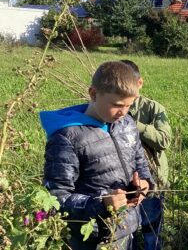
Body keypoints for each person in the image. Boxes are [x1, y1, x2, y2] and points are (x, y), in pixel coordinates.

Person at [40, 61, 155, 250]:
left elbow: (140, 164)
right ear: (93, 94)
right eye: (117, 105)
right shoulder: (67, 137)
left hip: (127, 229)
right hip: (91, 238)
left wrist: (144, 184)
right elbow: (56, 199)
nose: (123, 112)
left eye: (129, 105)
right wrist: (101, 204)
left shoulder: (127, 124)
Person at [120, 59, 171, 250]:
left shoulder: (154, 109)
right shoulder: (109, 109)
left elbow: (164, 140)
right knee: (125, 230)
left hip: (152, 181)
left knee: (151, 227)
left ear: (139, 83)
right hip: (124, 183)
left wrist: (135, 125)